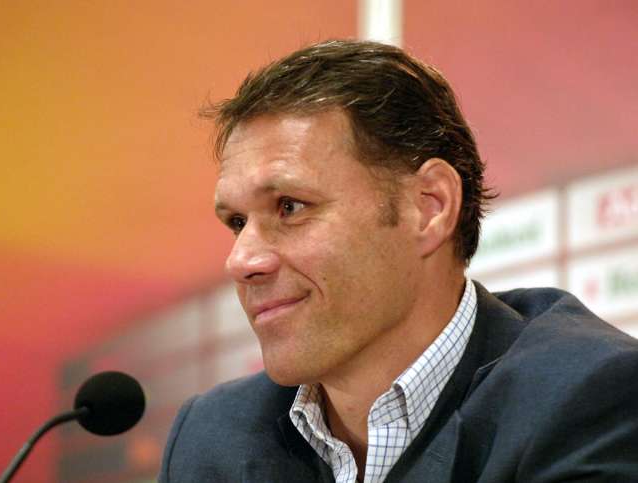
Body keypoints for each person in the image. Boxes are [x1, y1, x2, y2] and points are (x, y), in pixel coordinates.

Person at [159, 40, 638, 483]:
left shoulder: (590, 398)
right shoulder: (213, 436)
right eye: (237, 222)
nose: (241, 260)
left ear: (429, 207)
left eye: (290, 206)